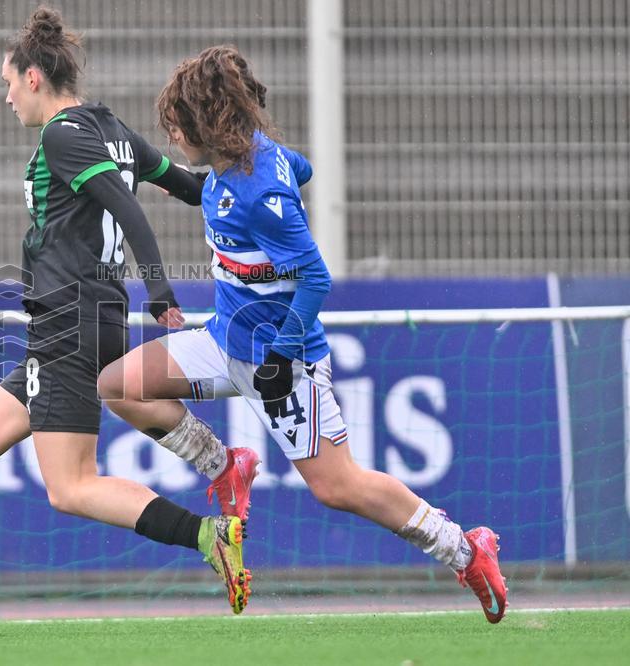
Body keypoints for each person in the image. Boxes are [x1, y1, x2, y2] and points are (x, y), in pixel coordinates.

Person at [0, 11, 253, 637]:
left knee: (71, 487)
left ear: (34, 77)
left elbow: (128, 209)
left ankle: (208, 534)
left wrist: (160, 289)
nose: (6, 95)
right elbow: (190, 187)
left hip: (69, 322)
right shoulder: (112, 129)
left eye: (8, 82)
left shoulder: (64, 136)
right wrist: (254, 183)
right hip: (79, 321)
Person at [97, 45, 508, 624]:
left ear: (206, 124)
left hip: (281, 362)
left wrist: (283, 355)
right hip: (224, 341)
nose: (172, 137)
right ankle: (225, 465)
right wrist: (218, 186)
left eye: (177, 126)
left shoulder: (260, 193)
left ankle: (465, 550)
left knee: (338, 487)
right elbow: (301, 169)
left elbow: (316, 278)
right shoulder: (242, 169)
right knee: (118, 385)